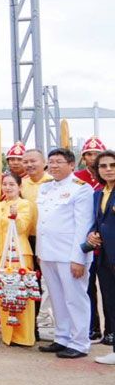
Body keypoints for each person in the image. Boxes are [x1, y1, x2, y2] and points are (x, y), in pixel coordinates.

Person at [35, 148, 95, 359]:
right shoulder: (45, 188)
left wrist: (79, 258)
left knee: (75, 299)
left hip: (69, 254)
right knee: (57, 298)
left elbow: (83, 226)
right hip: (48, 253)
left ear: (71, 165)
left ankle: (79, 342)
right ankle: (62, 337)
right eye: (51, 162)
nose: (54, 166)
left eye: (59, 162)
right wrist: (40, 252)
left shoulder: (81, 189)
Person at [0, 171, 37, 347]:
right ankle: (7, 334)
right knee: (3, 293)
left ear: (19, 186)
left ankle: (23, 335)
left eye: (12, 184)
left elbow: (23, 228)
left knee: (21, 293)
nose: (8, 187)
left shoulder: (25, 204)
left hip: (19, 253)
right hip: (0, 254)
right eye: (5, 184)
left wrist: (15, 216)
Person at [76, 137, 107, 343]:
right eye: (88, 154)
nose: (92, 157)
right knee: (87, 288)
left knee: (108, 287)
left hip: (106, 239)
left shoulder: (108, 178)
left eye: (96, 154)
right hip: (85, 238)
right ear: (83, 157)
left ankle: (110, 330)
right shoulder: (77, 177)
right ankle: (92, 327)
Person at [21, 147, 55, 333]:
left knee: (53, 281)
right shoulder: (22, 184)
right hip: (27, 239)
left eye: (33, 161)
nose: (29, 165)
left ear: (44, 163)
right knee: (29, 281)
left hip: (49, 239)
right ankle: (30, 325)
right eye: (25, 162)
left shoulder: (52, 183)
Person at [88, 150, 115, 363]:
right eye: (103, 166)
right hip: (103, 254)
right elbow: (98, 220)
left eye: (112, 165)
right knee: (109, 298)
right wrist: (92, 233)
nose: (108, 169)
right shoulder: (98, 193)